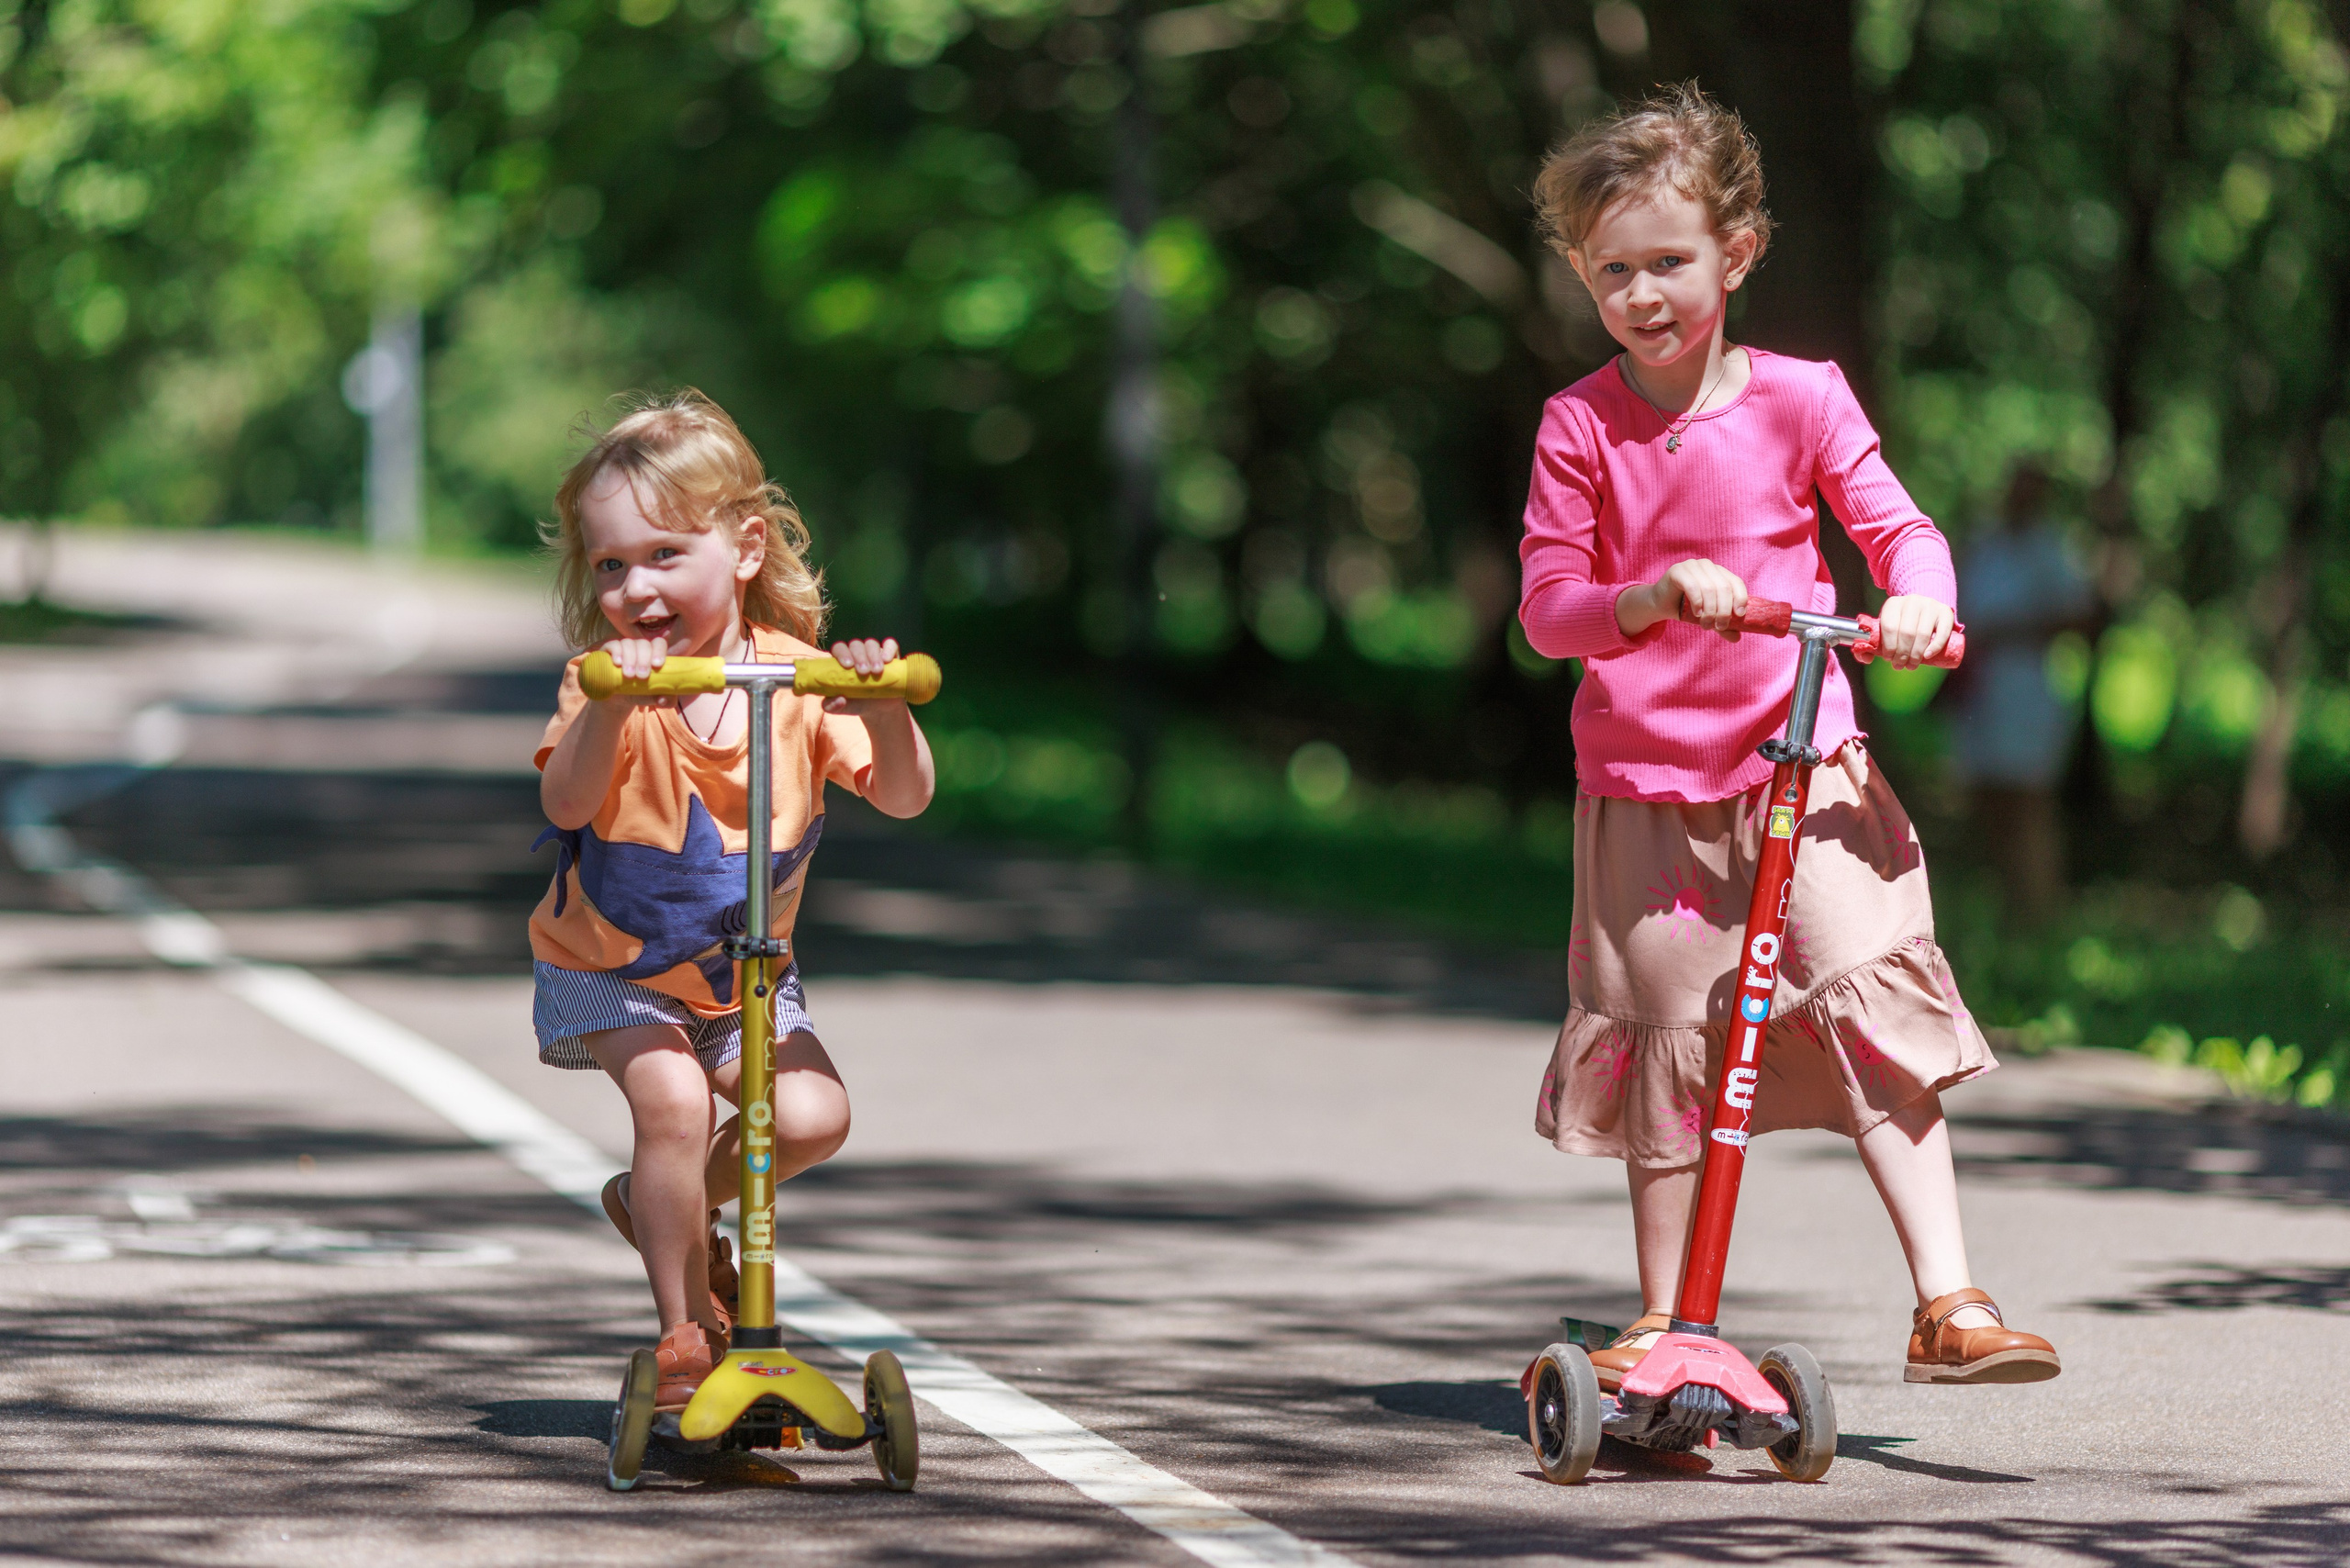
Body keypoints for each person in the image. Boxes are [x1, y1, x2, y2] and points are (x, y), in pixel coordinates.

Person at [1516, 86, 2059, 1387]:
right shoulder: (1581, 426)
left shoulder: (1803, 401)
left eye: (1669, 262)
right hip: (1648, 790)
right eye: (1613, 272)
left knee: (1866, 992)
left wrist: (1921, 596)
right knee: (1667, 1045)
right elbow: (1547, 609)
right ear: (1583, 276)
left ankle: (1949, 1301)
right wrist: (1639, 599)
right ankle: (1663, 1317)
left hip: (1803, 770)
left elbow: (1896, 526)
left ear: (1737, 254)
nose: (1642, 293)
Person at [532, 390, 935, 1410]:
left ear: (745, 548)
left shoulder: (799, 680)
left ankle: (654, 1202)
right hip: (608, 966)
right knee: (668, 1103)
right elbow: (567, 799)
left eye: (665, 555)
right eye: (611, 565)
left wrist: (882, 708)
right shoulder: (604, 681)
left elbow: (903, 794)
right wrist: (611, 706)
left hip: (741, 973)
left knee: (808, 1115)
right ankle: (682, 1329)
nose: (634, 586)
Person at [1948, 462, 2098, 924]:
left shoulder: (2052, 549)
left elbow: (2080, 618)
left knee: (2029, 802)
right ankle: (2007, 905)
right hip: (1979, 691)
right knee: (1986, 797)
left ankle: (2041, 909)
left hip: (2028, 691)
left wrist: (2011, 631)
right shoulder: (1983, 543)